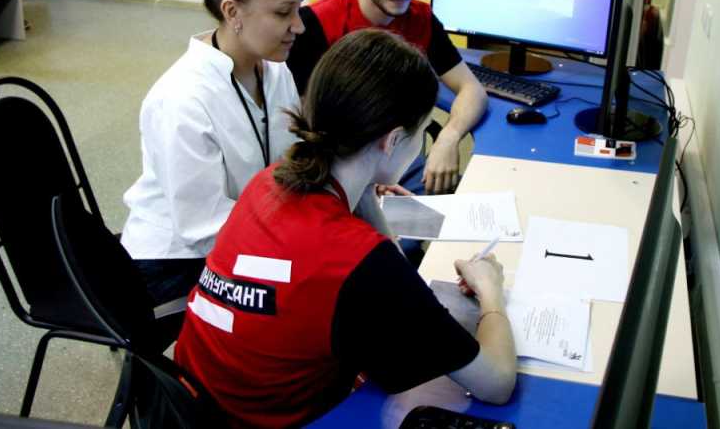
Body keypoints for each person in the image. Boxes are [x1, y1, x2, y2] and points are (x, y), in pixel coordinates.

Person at [176, 29, 516, 427]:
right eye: (421, 133)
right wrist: (491, 292)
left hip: (196, 402)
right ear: (391, 141)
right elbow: (496, 383)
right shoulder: (361, 264)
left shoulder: (268, 182)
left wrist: (366, 183)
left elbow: (384, 265)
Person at [120, 0, 306, 307]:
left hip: (247, 232)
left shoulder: (273, 69)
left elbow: (290, 160)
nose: (298, 26)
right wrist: (300, 236)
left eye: (300, 9)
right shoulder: (181, 98)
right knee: (308, 294)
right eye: (283, 13)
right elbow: (201, 226)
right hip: (173, 261)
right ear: (232, 12)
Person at [287, 0, 487, 194]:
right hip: (339, 162)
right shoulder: (318, 22)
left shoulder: (422, 18)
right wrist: (364, 177)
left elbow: (472, 90)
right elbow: (301, 119)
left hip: (399, 154)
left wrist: (449, 139)